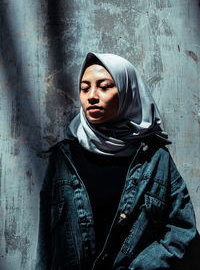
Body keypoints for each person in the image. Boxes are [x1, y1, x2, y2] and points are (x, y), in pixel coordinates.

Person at [36, 52, 198, 270]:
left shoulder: (156, 160)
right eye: (84, 88)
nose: (92, 96)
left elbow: (182, 231)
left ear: (127, 91)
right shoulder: (62, 160)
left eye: (104, 86)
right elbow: (46, 247)